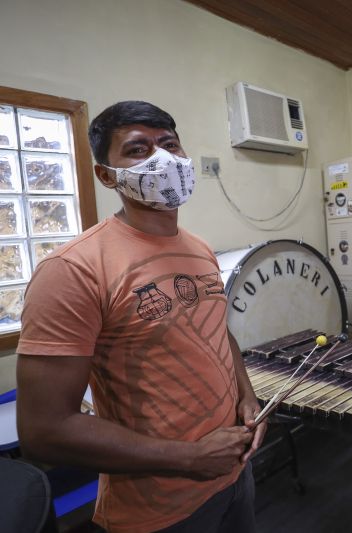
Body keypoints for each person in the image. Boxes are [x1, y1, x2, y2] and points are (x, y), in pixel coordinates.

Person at [15, 101, 266, 532]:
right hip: (159, 509)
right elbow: (44, 430)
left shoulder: (201, 250)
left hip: (234, 477)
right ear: (106, 175)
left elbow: (216, 331)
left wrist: (246, 396)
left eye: (169, 144)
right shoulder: (74, 269)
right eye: (137, 149)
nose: (162, 158)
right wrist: (189, 458)